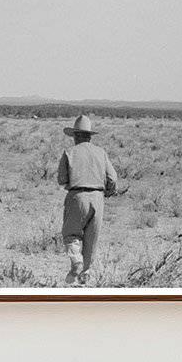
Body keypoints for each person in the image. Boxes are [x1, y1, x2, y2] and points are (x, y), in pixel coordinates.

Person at [57, 115, 117, 285]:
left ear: (76, 135)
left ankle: (76, 261)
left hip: (77, 196)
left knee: (71, 234)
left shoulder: (69, 152)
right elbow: (113, 178)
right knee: (91, 240)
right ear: (90, 136)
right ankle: (85, 275)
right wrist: (108, 192)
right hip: (98, 198)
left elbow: (62, 179)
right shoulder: (101, 152)